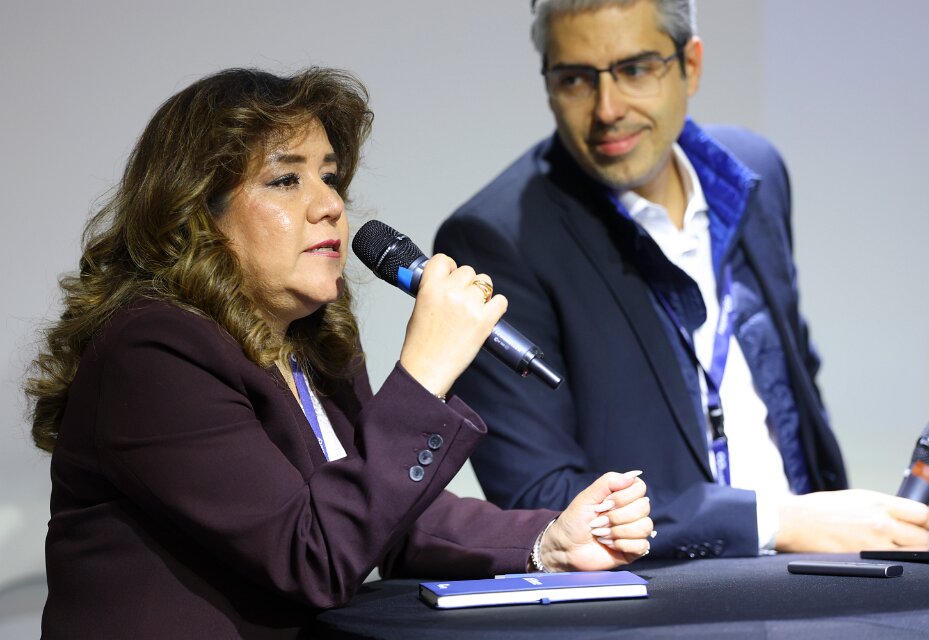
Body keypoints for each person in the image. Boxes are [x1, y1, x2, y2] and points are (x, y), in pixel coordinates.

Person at [25, 67, 655, 639]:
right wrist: (424, 374)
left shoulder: (313, 343)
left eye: (329, 177)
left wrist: (549, 542)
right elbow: (312, 554)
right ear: (196, 213)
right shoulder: (153, 351)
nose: (330, 204)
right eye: (286, 179)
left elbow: (384, 517)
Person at [434, 0, 929, 559]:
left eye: (635, 69)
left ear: (690, 65)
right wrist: (773, 522)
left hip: (818, 573)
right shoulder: (495, 239)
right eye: (575, 79)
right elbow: (541, 500)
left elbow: (793, 393)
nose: (607, 108)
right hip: (664, 598)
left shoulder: (757, 169)